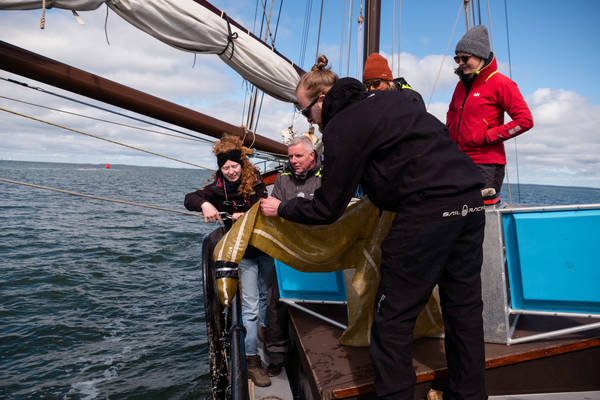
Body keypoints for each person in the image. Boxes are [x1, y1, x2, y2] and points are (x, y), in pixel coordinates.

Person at [261, 55, 487, 400]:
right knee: (464, 310)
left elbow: (327, 207)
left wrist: (283, 207)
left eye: (305, 112)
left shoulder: (341, 126)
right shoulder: (395, 98)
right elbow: (438, 135)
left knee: (392, 320)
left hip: (425, 212)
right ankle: (468, 394)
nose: (308, 119)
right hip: (470, 201)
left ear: (322, 100)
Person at [184, 135, 274, 387]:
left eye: (235, 166)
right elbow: (189, 198)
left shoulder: (254, 180)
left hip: (264, 248)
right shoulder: (216, 189)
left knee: (267, 295)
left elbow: (262, 205)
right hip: (243, 253)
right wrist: (204, 204)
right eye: (226, 167)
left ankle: (263, 334)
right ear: (220, 168)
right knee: (251, 307)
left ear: (241, 164)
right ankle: (252, 361)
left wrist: (247, 214)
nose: (231, 171)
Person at [447, 25, 533, 204]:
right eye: (457, 58)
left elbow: (524, 121)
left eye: (465, 57)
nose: (460, 62)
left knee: (480, 217)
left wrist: (489, 136)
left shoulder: (501, 83)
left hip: (485, 165)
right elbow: (451, 116)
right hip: (458, 161)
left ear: (480, 56)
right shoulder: (460, 86)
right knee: (456, 214)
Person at [265, 135, 322, 376]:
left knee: (319, 298)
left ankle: (319, 352)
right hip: (288, 248)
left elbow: (327, 210)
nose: (293, 160)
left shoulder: (327, 177)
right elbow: (272, 209)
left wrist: (287, 210)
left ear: (312, 156)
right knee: (275, 299)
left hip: (319, 248)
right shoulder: (282, 178)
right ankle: (277, 354)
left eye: (298, 156)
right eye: (290, 156)